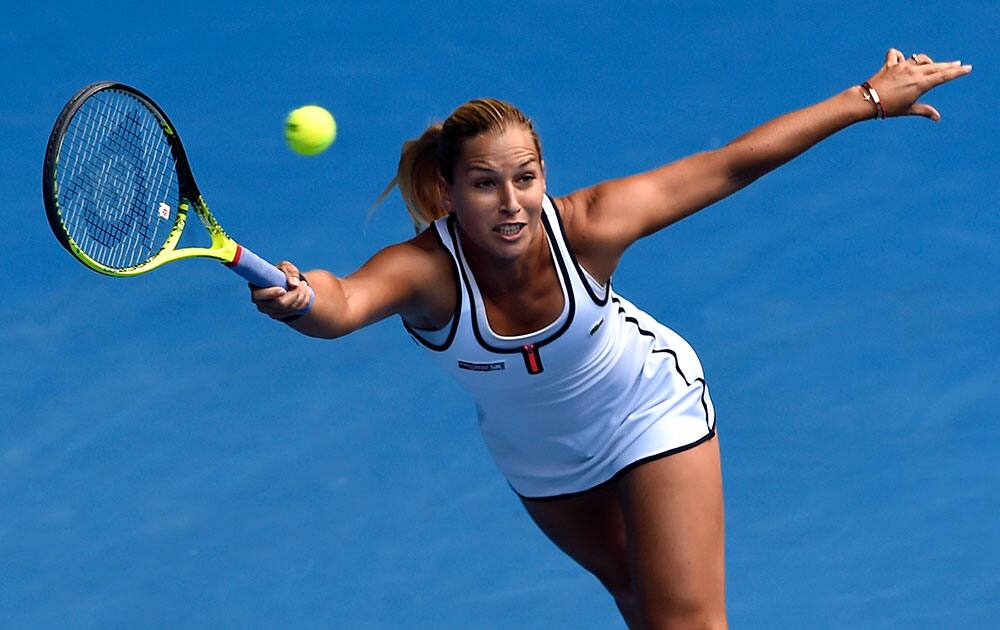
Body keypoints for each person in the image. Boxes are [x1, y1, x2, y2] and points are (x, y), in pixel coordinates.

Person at [251, 49, 970, 628]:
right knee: (635, 595)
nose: (511, 204)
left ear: (544, 175)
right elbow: (342, 303)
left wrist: (868, 98)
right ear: (447, 186)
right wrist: (302, 298)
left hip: (648, 410)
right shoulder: (425, 273)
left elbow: (730, 164)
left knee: (688, 620)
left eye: (525, 179)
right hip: (543, 460)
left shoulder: (591, 223)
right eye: (484, 184)